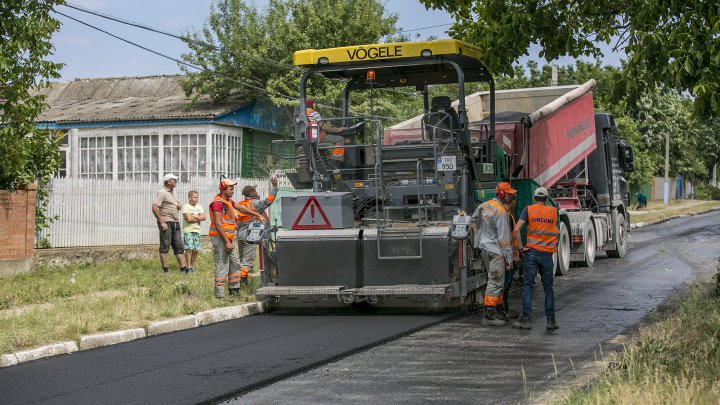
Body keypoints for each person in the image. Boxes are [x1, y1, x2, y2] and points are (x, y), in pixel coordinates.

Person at [209, 178, 266, 299]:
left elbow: (241, 208)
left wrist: (257, 214)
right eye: (231, 189)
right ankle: (219, 295)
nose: (233, 191)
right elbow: (218, 224)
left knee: (235, 263)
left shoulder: (228, 201)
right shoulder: (218, 203)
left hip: (228, 238)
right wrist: (226, 242)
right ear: (223, 188)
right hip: (220, 239)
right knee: (222, 264)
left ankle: (234, 289)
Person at [513, 187, 560, 330]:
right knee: (548, 288)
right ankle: (551, 321)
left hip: (532, 253)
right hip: (547, 254)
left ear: (534, 198)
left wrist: (520, 248)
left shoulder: (528, 209)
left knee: (528, 286)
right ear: (546, 199)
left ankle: (526, 319)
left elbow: (516, 230)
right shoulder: (553, 211)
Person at [470, 182, 517, 326]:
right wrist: (510, 258)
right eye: (509, 194)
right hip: (496, 251)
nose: (512, 196)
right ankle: (489, 315)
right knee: (496, 281)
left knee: (497, 280)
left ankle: (498, 311)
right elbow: (504, 239)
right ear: (502, 194)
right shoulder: (501, 212)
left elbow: (472, 222)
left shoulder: (483, 206)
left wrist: (479, 240)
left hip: (484, 249)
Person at [237, 176, 278, 284]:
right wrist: (274, 187)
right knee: (248, 262)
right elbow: (268, 201)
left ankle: (239, 279)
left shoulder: (242, 204)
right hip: (249, 236)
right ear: (250, 194)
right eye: (254, 190)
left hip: (241, 235)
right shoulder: (255, 204)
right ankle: (240, 283)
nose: (256, 191)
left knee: (242, 259)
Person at [152, 173, 188, 273]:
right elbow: (154, 208)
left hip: (175, 222)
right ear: (168, 181)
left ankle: (183, 269)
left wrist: (178, 206)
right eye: (174, 180)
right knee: (165, 245)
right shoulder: (162, 192)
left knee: (179, 245)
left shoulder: (174, 191)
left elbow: (173, 204)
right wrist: (161, 222)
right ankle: (165, 269)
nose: (176, 181)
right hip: (166, 221)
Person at [306, 99, 346, 168]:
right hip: (318, 138)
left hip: (307, 138)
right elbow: (324, 127)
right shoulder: (313, 113)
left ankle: (329, 159)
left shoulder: (301, 114)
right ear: (313, 105)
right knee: (340, 139)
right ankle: (336, 161)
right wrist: (338, 129)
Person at [182, 190, 206, 273]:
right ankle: (188, 267)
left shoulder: (199, 206)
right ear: (190, 198)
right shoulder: (186, 206)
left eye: (197, 197)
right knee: (189, 249)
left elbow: (204, 217)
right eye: (195, 197)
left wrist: (194, 216)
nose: (196, 199)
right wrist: (198, 217)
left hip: (197, 230)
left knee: (195, 250)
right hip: (188, 230)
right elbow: (188, 219)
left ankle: (191, 266)